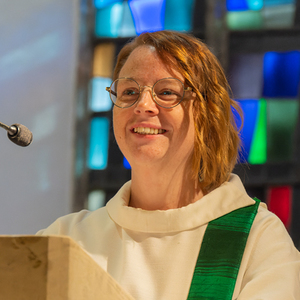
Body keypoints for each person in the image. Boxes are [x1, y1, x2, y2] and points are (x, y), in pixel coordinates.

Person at [37, 30, 300, 299]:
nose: (143, 105)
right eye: (129, 91)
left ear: (208, 114)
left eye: (166, 92)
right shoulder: (66, 241)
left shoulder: (256, 241)